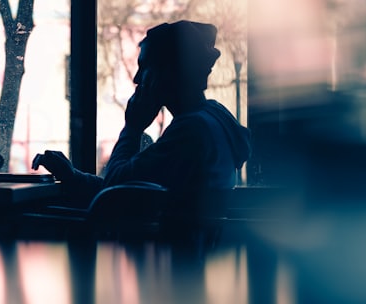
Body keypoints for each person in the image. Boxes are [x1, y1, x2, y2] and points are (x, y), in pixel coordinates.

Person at [32, 20, 252, 210]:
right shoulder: (212, 118)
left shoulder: (190, 131)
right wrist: (73, 177)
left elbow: (115, 191)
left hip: (163, 254)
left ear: (170, 71)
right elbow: (129, 185)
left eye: (144, 66)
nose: (137, 78)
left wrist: (132, 128)